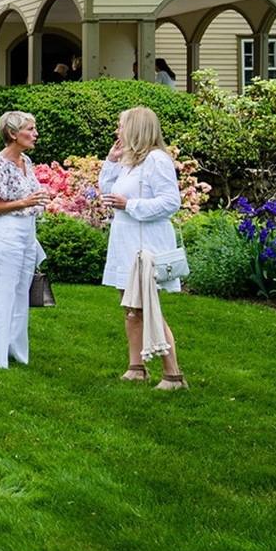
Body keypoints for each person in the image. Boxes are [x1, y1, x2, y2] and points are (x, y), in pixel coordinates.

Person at [100, 107, 188, 390]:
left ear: (136, 128)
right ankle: (136, 367)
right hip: (126, 243)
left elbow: (170, 202)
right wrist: (111, 162)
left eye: (121, 126)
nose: (117, 131)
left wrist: (131, 206)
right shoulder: (130, 162)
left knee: (148, 308)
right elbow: (107, 192)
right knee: (131, 307)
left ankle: (173, 375)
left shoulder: (157, 161)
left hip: (145, 246)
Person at [0, 111, 51, 369]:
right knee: (1, 292)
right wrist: (23, 202)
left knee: (21, 294)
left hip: (28, 233)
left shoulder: (26, 161)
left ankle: (16, 352)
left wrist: (40, 198)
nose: (35, 133)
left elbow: (29, 196)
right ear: (12, 134)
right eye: (30, 129)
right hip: (6, 234)